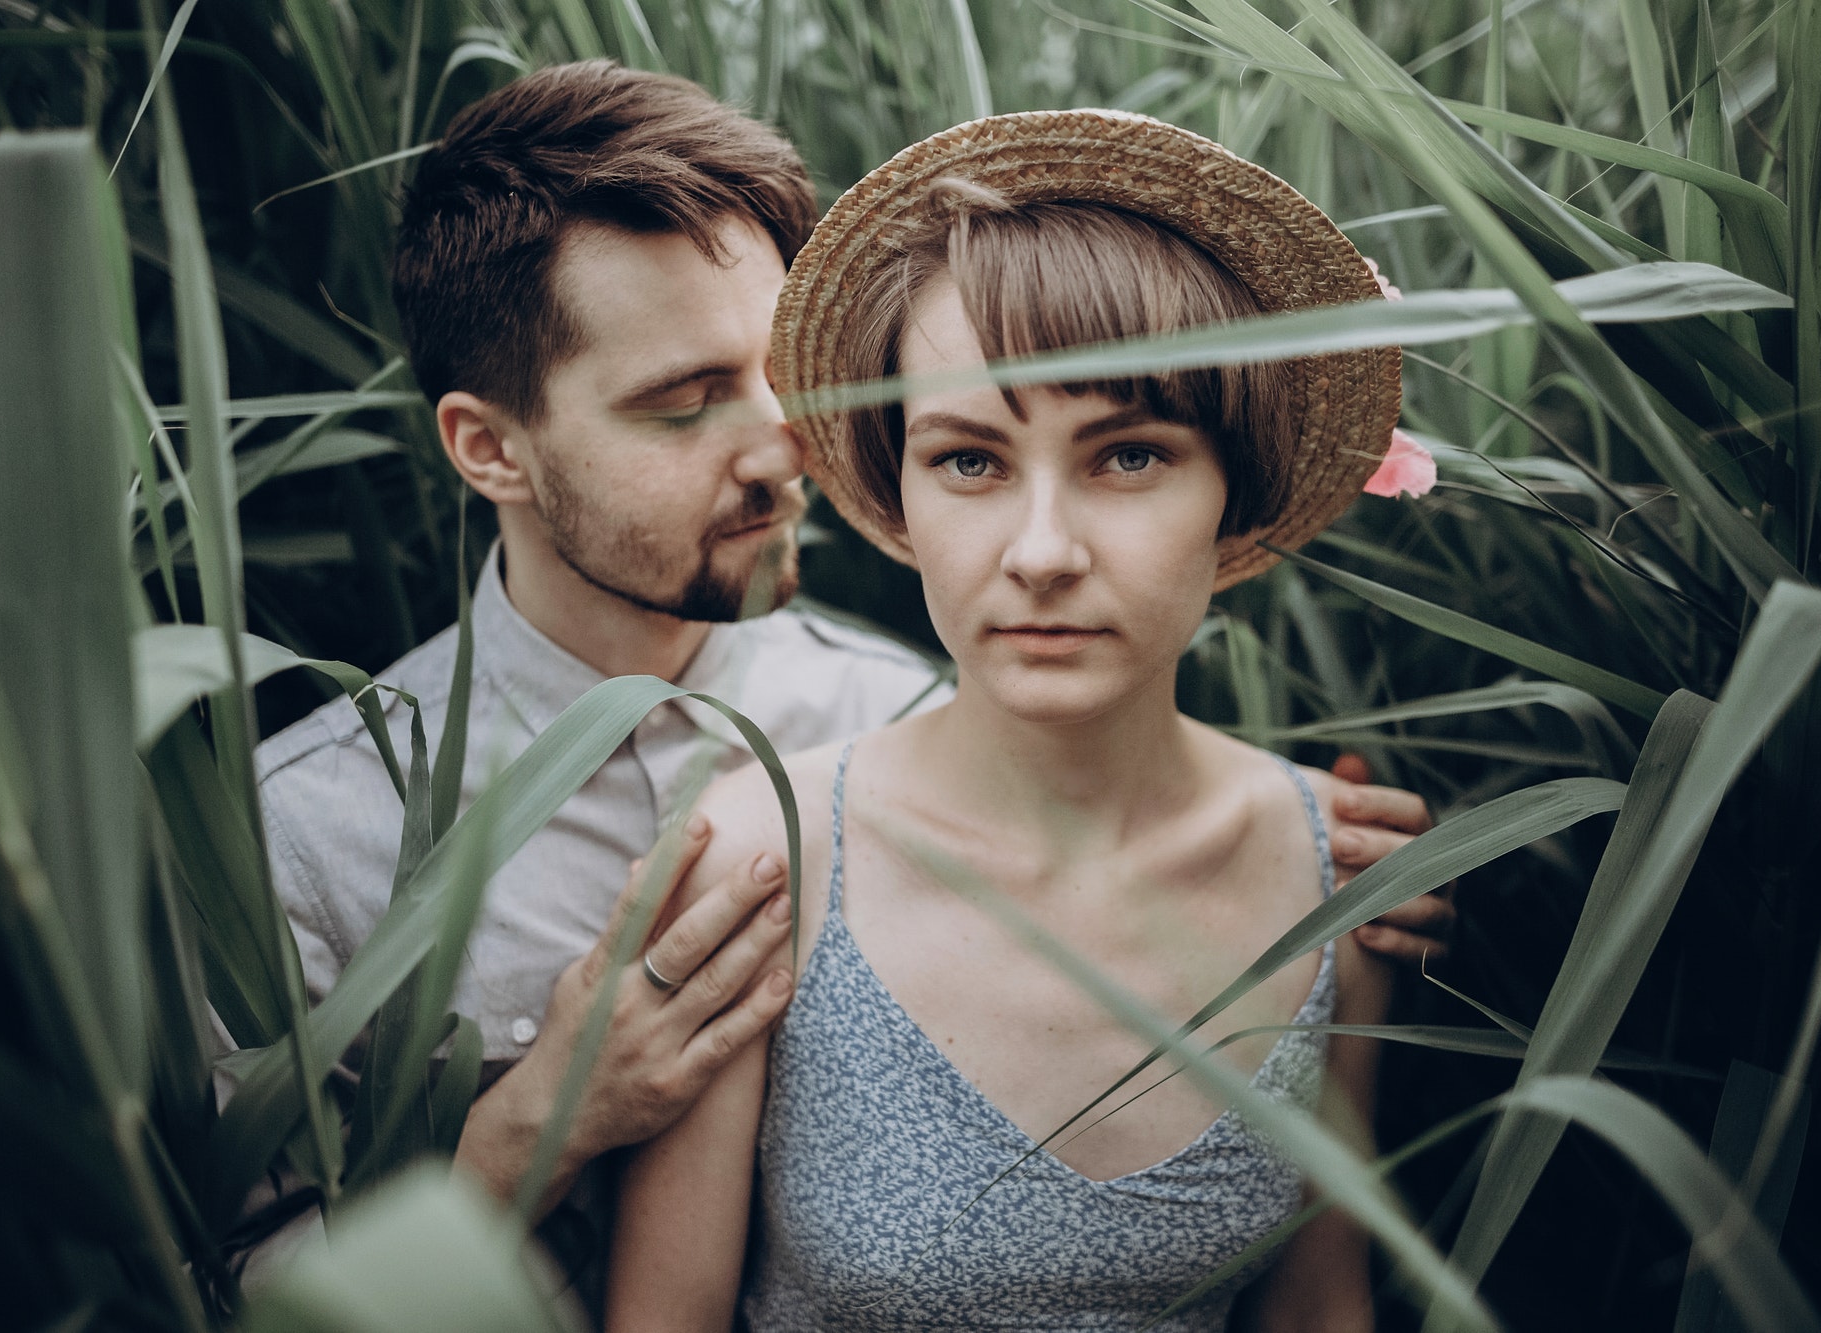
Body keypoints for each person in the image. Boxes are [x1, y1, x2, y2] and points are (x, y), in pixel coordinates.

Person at [249, 63, 1448, 1304]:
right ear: (488, 447)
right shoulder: (306, 838)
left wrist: (1326, 865)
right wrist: (545, 1112)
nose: (784, 449)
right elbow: (228, 1293)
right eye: (684, 404)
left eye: (780, 379)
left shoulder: (914, 696)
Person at [604, 110, 1411, 1331]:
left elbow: (1319, 1309)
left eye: (1127, 456)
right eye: (969, 461)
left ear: (1234, 493)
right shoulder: (764, 856)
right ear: (898, 494)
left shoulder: (1341, 874)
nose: (1040, 553)